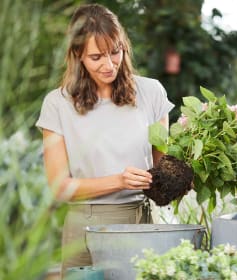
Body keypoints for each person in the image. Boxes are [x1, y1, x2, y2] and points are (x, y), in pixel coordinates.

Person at [35, 3, 174, 277]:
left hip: (143, 223)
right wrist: (119, 181)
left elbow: (164, 169)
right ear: (78, 55)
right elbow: (60, 188)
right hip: (86, 229)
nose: (109, 65)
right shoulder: (57, 104)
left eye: (115, 52)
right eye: (97, 57)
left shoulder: (151, 92)